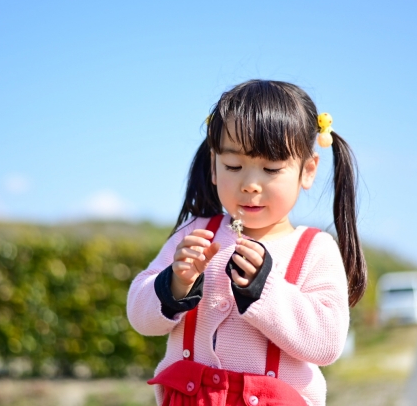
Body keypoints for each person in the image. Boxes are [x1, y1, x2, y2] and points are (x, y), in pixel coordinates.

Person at [127, 80, 367, 406]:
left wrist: (264, 290)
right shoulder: (195, 233)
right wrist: (175, 285)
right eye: (234, 166)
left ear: (308, 170)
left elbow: (327, 343)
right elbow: (140, 316)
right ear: (214, 165)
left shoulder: (316, 249)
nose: (250, 184)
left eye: (271, 168)